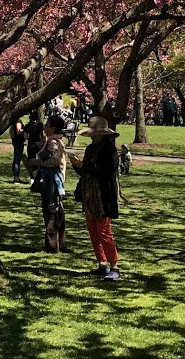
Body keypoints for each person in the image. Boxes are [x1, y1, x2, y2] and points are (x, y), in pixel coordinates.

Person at [70, 116, 122, 280]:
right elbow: (86, 172)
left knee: (104, 231)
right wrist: (77, 164)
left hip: (102, 196)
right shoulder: (91, 149)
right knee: (93, 231)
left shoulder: (110, 151)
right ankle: (102, 263)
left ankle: (114, 266)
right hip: (89, 194)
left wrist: (83, 166)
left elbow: (104, 172)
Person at [29, 114, 68, 253]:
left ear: (53, 128)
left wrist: (38, 162)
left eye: (47, 125)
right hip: (54, 181)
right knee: (57, 211)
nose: (44, 127)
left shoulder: (53, 143)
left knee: (51, 210)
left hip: (52, 181)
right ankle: (59, 243)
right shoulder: (53, 140)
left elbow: (55, 160)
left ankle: (52, 245)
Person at [9, 119, 25, 183]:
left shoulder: (13, 121)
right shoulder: (18, 121)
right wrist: (26, 129)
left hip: (16, 142)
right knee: (17, 160)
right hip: (18, 142)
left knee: (16, 159)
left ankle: (16, 177)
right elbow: (18, 131)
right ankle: (16, 178)